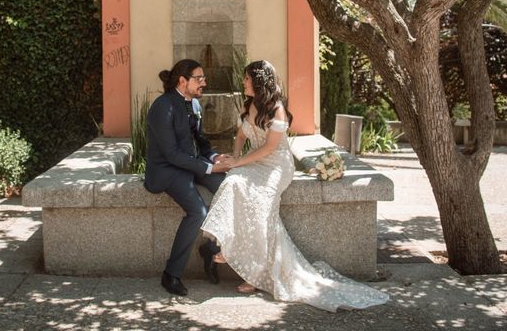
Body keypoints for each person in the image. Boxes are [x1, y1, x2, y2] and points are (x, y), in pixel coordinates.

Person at [201, 60, 389, 312]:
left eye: (247, 78)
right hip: (255, 161)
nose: (244, 82)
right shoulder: (249, 106)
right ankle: (230, 246)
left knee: (259, 203)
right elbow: (241, 135)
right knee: (233, 183)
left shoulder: (277, 110)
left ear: (259, 81)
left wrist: (238, 162)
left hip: (277, 167)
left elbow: (269, 148)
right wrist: (232, 156)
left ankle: (251, 271)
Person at [144, 59, 231, 297]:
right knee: (198, 212)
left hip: (190, 165)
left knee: (228, 187)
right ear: (183, 81)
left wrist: (214, 157)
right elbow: (171, 154)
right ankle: (171, 274)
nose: (204, 82)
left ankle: (211, 249)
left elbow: (201, 142)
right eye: (199, 78)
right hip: (166, 169)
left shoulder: (194, 104)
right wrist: (207, 169)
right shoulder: (162, 107)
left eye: (204, 78)